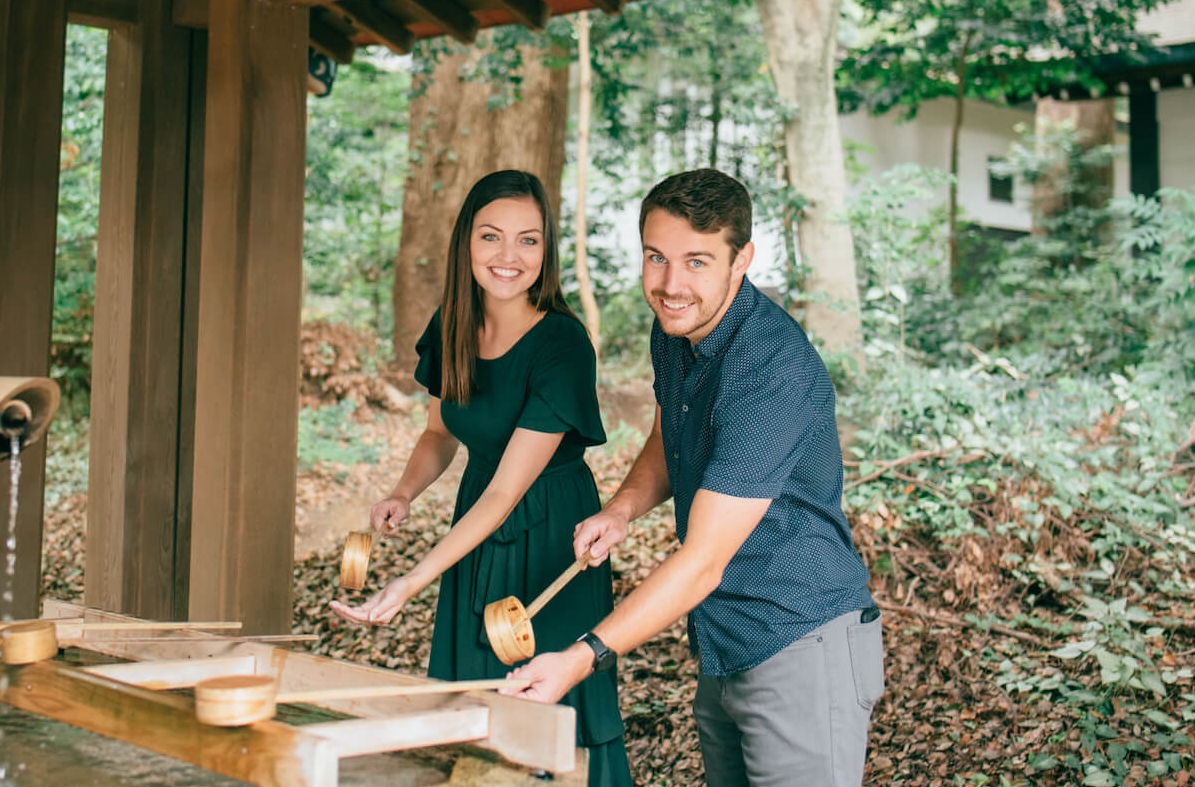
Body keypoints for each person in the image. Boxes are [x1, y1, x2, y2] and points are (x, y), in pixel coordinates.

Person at [503, 168, 883, 787]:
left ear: (743, 260)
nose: (671, 284)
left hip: (800, 642)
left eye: (697, 262)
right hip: (723, 638)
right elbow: (672, 428)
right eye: (657, 258)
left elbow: (702, 561)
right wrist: (622, 508)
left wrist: (581, 657)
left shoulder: (770, 372)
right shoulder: (678, 328)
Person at [330, 168, 633, 787]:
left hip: (551, 533)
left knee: (548, 707)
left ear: (546, 249)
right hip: (477, 524)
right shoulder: (453, 324)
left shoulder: (562, 345)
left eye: (528, 240)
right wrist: (403, 492)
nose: (508, 256)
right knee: (472, 697)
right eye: (491, 236)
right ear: (465, 242)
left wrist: (407, 584)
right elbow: (441, 432)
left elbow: (505, 491)